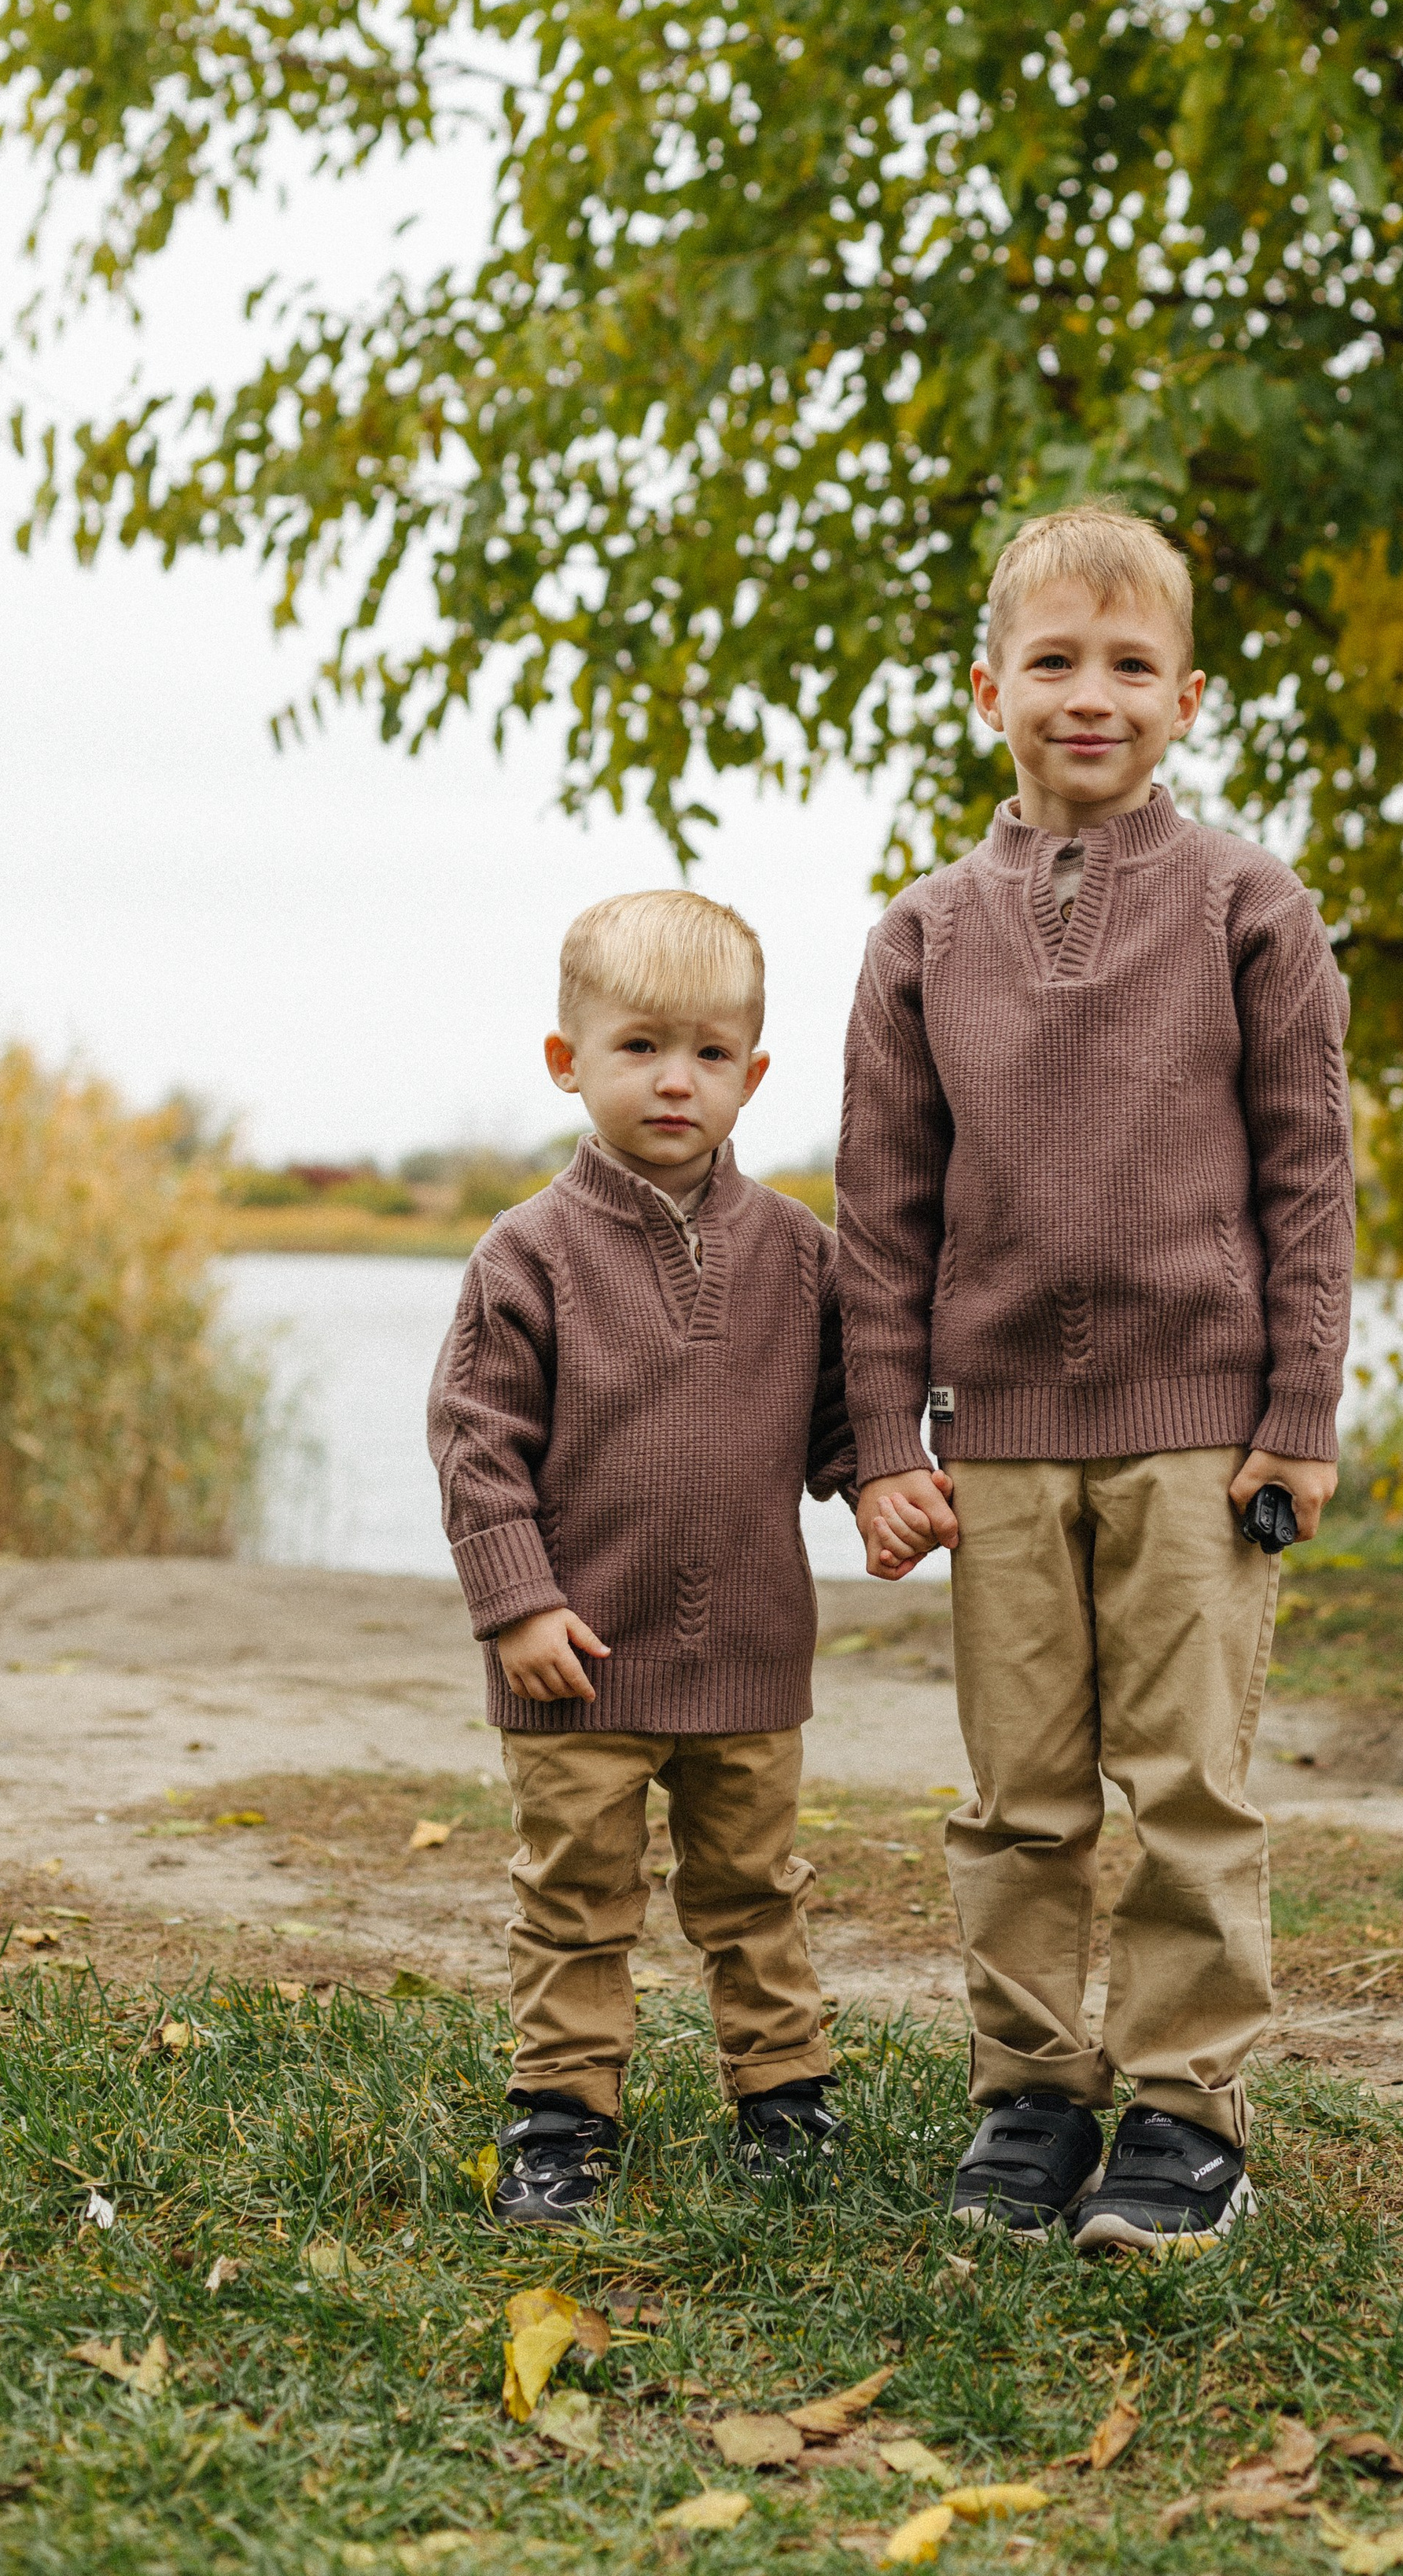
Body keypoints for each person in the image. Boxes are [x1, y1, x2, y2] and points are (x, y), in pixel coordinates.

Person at [835, 504, 1354, 2254]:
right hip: (994, 1444)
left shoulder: (1243, 907)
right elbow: (881, 1205)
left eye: (1128, 665)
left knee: (1188, 1777)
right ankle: (1030, 2093)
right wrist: (877, 1439)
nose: (1089, 694)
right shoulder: (918, 935)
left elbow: (1304, 1174)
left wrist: (1297, 1414)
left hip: (1197, 1430)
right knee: (1020, 1793)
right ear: (986, 687)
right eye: (1051, 661)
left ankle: (1184, 2109)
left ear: (1186, 696)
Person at [428, 889, 856, 2226]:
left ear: (753, 1075)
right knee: (576, 1896)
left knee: (753, 1890)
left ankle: (783, 2099)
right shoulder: (529, 1255)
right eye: (641, 1047)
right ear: (571, 1061)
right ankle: (562, 2117)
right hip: (578, 1662)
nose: (678, 1079)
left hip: (745, 1656)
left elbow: (845, 1411)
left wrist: (883, 1484)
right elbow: (474, 1445)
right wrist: (518, 1606)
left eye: (712, 1053)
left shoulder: (798, 1252)